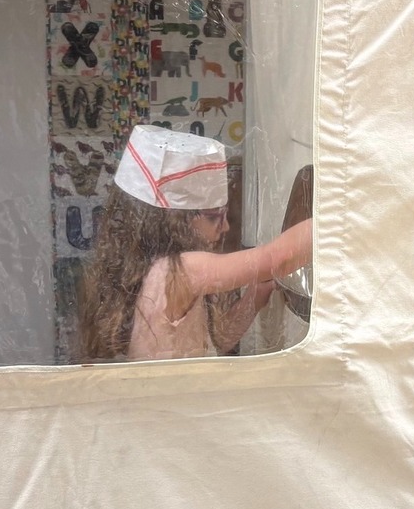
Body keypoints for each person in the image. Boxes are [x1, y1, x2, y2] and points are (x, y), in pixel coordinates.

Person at [79, 124, 312, 361]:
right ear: (178, 221)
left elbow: (219, 342)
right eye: (215, 217)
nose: (225, 227)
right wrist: (333, 209)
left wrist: (256, 296)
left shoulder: (150, 271)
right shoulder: (180, 271)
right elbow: (279, 258)